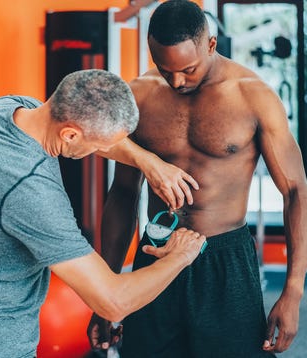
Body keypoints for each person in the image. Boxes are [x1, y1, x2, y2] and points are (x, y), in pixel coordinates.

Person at [87, 1, 307, 357]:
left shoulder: (253, 96)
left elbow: (296, 191)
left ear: (211, 44)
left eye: (187, 69)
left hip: (224, 260)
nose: (176, 81)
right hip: (156, 254)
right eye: (164, 68)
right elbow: (124, 193)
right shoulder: (139, 96)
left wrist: (294, 290)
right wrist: (107, 291)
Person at [0, 69, 207, 357]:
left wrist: (147, 161)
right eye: (100, 146)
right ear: (70, 134)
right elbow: (113, 301)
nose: (106, 150)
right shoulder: (29, 191)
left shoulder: (3, 111)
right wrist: (181, 255)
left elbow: (99, 137)